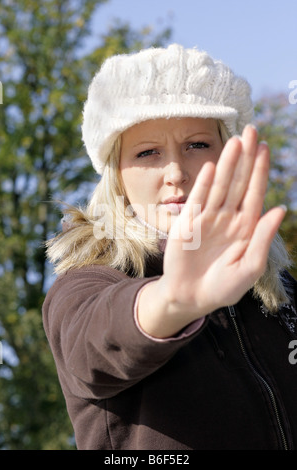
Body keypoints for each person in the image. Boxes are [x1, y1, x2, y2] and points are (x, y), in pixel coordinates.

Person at [43, 44, 297, 450]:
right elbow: (90, 350)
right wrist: (174, 300)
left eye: (197, 145)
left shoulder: (280, 286)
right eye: (147, 153)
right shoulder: (86, 284)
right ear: (117, 176)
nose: (176, 173)